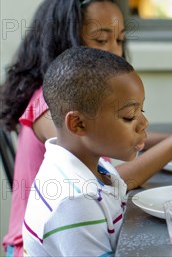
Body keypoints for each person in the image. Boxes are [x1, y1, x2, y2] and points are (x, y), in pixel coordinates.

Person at [0, 0, 172, 256]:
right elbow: (113, 183)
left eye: (120, 39)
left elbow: (111, 145)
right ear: (64, 40)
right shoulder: (51, 107)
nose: (114, 50)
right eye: (101, 40)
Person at [22, 46, 147, 255]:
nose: (144, 123)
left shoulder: (99, 170)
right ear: (78, 124)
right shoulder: (76, 201)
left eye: (141, 110)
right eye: (129, 116)